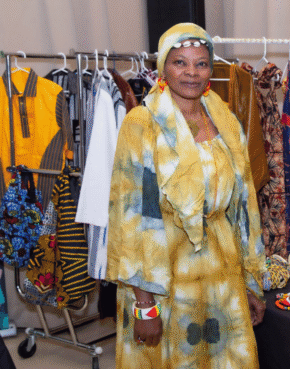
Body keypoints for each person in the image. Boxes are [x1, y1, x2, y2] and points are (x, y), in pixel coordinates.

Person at [105, 23, 266, 368]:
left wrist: (251, 283)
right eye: (180, 62)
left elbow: (243, 209)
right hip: (165, 279)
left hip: (223, 275)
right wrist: (144, 306)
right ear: (163, 67)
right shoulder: (142, 125)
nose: (192, 72)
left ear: (211, 69)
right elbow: (130, 220)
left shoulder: (225, 121)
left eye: (201, 63)